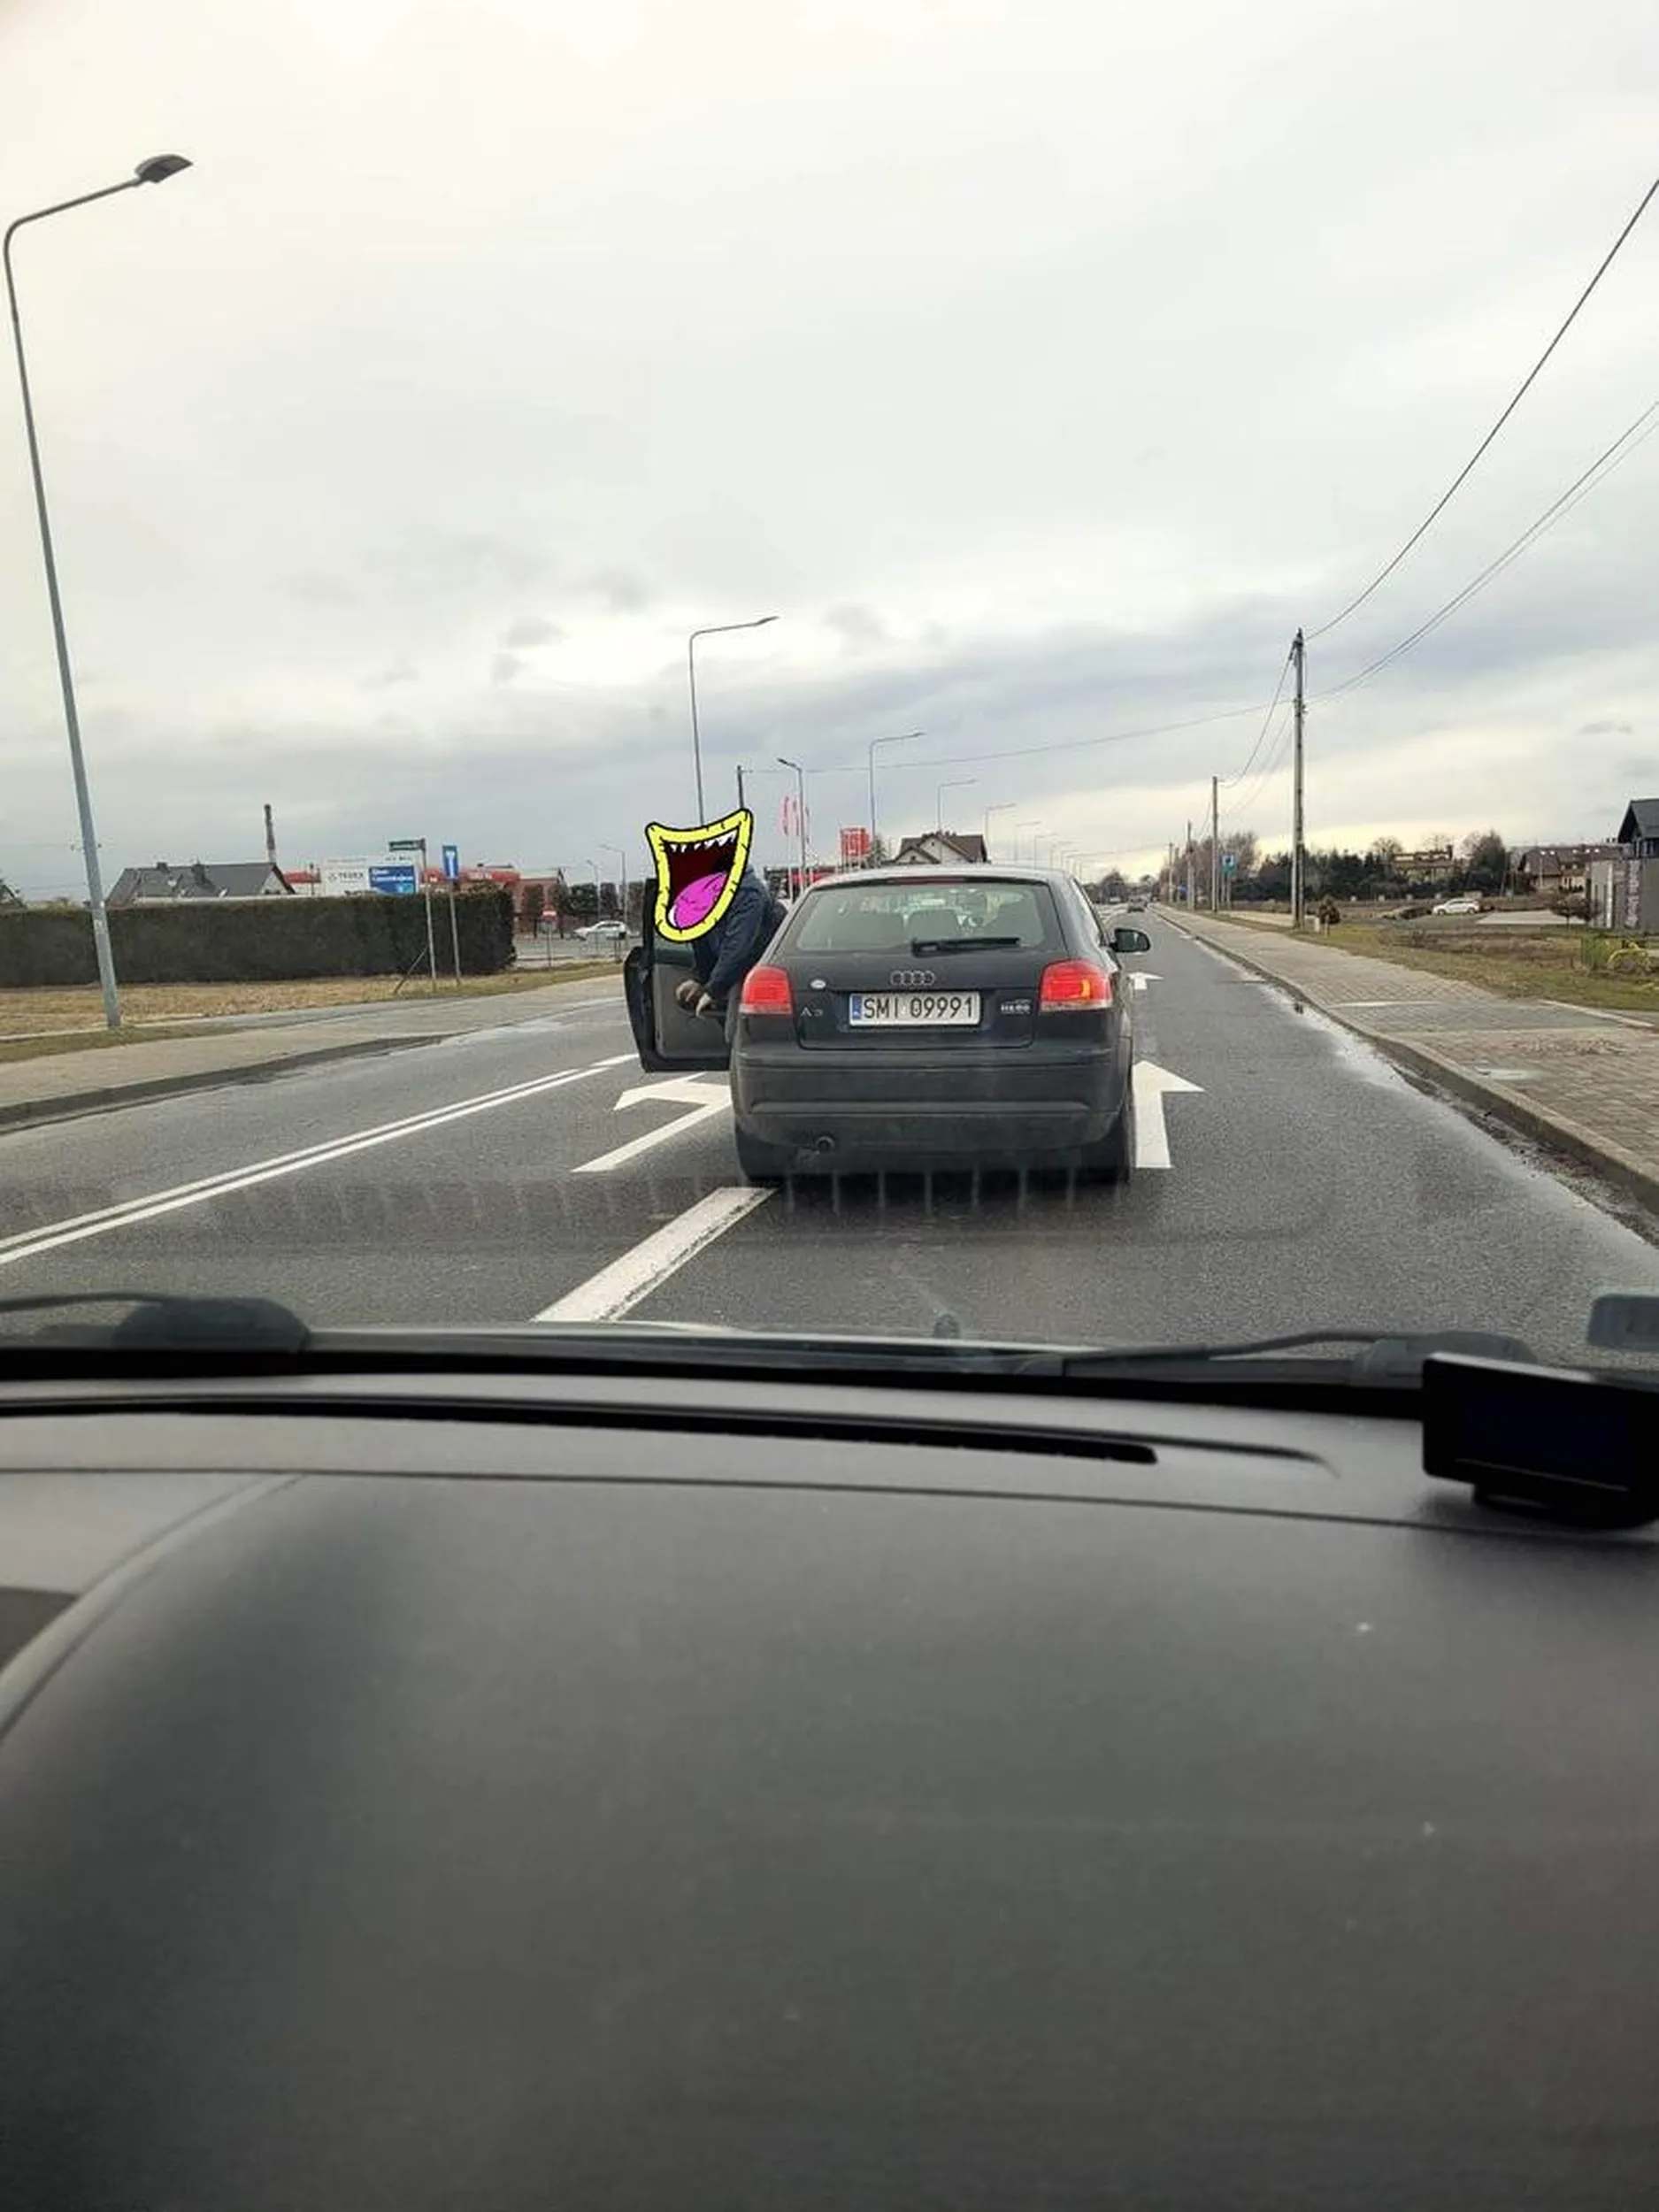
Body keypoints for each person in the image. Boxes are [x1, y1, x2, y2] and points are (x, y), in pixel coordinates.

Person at [673, 864, 787, 1041]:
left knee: (736, 1035)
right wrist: (700, 978)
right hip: (739, 968)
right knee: (735, 1034)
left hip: (759, 969)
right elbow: (702, 940)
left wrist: (713, 990)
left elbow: (738, 947)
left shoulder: (747, 892)